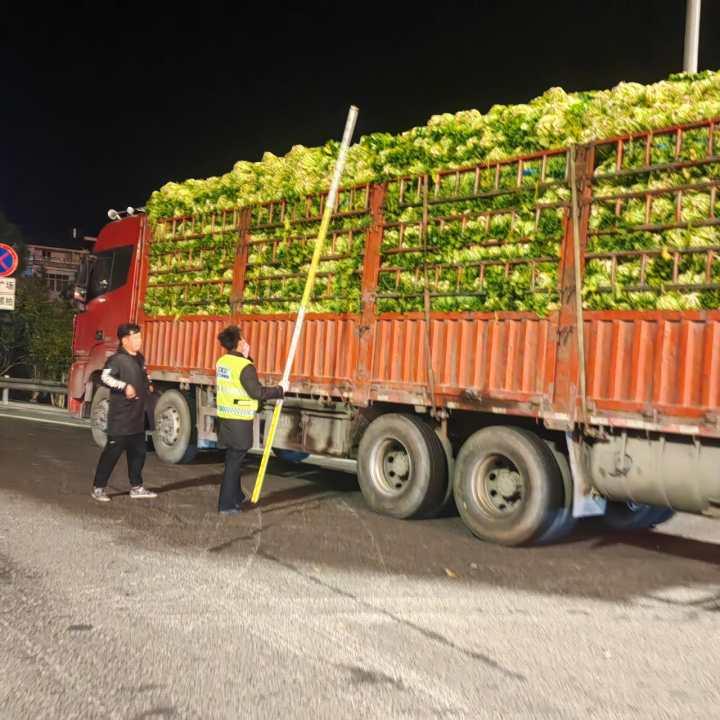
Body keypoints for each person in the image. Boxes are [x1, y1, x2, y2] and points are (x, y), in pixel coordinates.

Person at [215, 325, 287, 515]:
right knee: (234, 462)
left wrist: (246, 357)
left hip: (225, 418)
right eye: (244, 340)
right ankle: (226, 505)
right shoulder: (244, 367)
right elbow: (256, 392)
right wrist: (279, 390)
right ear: (238, 343)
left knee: (232, 459)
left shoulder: (223, 362)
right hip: (239, 420)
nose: (247, 343)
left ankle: (236, 496)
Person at [91, 323, 158, 502]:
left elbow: (145, 373)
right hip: (121, 417)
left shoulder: (140, 358)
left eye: (140, 337)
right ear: (125, 340)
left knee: (138, 453)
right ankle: (98, 488)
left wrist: (149, 383)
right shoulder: (117, 359)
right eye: (136, 337)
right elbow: (104, 377)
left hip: (137, 416)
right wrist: (124, 386)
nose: (139, 341)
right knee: (112, 453)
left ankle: (136, 487)